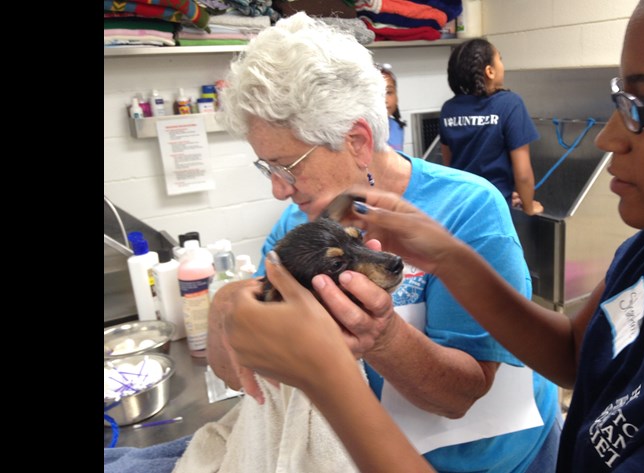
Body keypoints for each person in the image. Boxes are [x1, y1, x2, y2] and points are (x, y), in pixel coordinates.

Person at [222, 0, 644, 471]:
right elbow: (577, 355)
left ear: (355, 138)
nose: (607, 136)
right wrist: (449, 257)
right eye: (617, 99)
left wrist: (330, 374)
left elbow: (460, 393)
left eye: (643, 107)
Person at [200, 11, 560, 473]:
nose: (278, 189)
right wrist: (223, 312)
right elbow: (244, 374)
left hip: (489, 461)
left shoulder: (468, 209)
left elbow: (461, 395)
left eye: (287, 166)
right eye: (267, 168)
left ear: (356, 140)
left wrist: (383, 338)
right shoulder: (297, 225)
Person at [439, 38, 544, 216]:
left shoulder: (449, 108)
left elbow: (449, 166)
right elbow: (523, 173)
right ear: (490, 71)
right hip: (495, 210)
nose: (503, 65)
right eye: (500, 59)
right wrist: (528, 207)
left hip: (460, 208)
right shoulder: (510, 103)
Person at [378, 62, 407, 151]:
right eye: (378, 93)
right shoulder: (361, 132)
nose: (385, 100)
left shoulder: (398, 127)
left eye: (389, 92)